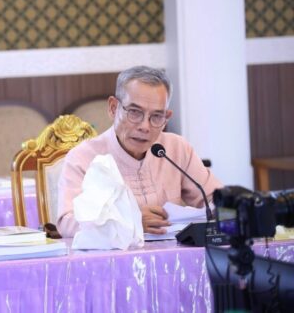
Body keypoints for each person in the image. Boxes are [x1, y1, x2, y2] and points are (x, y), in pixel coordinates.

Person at [57, 66, 222, 237]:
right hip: (117, 254)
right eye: (135, 112)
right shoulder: (83, 157)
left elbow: (217, 201)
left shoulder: (177, 148)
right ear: (113, 108)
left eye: (156, 116)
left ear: (166, 118)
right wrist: (130, 221)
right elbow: (67, 223)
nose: (145, 127)